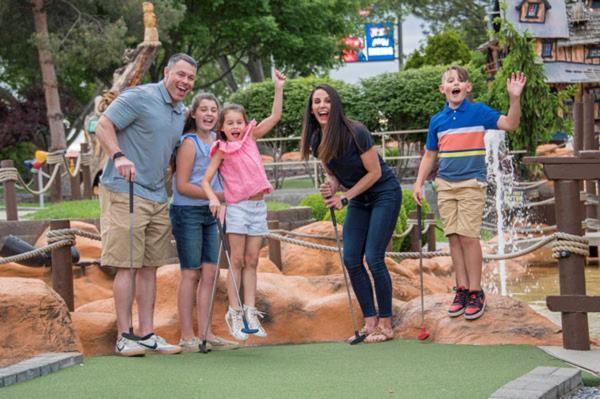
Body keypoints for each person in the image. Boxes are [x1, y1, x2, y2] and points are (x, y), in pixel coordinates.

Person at [96, 53, 197, 356]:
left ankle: (147, 334)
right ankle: (124, 336)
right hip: (125, 190)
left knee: (150, 268)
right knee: (127, 266)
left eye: (191, 78)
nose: (185, 82)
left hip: (156, 197)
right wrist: (118, 156)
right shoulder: (140, 97)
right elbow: (102, 125)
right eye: (180, 74)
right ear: (167, 72)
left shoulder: (180, 112)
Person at [413, 66, 526, 320]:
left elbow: (511, 124)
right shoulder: (437, 121)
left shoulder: (478, 112)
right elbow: (430, 155)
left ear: (467, 88)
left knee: (468, 237)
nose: (455, 84)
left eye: (460, 81)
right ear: (443, 89)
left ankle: (476, 291)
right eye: (449, 81)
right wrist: (419, 182)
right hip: (445, 185)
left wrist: (514, 98)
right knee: (453, 237)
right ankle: (461, 289)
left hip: (472, 183)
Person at [300, 84, 402, 344]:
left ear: (335, 105)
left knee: (374, 258)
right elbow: (333, 174)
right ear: (311, 109)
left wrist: (345, 196)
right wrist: (330, 186)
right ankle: (370, 322)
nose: (322, 106)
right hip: (358, 198)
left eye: (326, 101)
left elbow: (375, 173)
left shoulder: (356, 132)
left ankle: (387, 325)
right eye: (316, 102)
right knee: (351, 259)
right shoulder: (316, 140)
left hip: (383, 193)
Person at [202, 70, 286, 341]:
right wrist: (214, 198)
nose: (236, 126)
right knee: (236, 260)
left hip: (257, 207)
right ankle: (234, 312)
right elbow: (205, 181)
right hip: (236, 208)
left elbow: (275, 117)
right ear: (222, 128)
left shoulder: (250, 138)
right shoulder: (221, 149)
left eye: (239, 121)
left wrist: (278, 87)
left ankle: (250, 311)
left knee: (252, 260)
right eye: (230, 123)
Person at [169, 92, 239, 351]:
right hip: (188, 212)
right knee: (191, 273)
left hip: (213, 214)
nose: (209, 114)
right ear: (194, 113)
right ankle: (187, 335)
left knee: (211, 273)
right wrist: (220, 195)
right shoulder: (189, 143)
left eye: (213, 110)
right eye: (204, 109)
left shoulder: (217, 142)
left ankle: (206, 333)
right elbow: (183, 185)